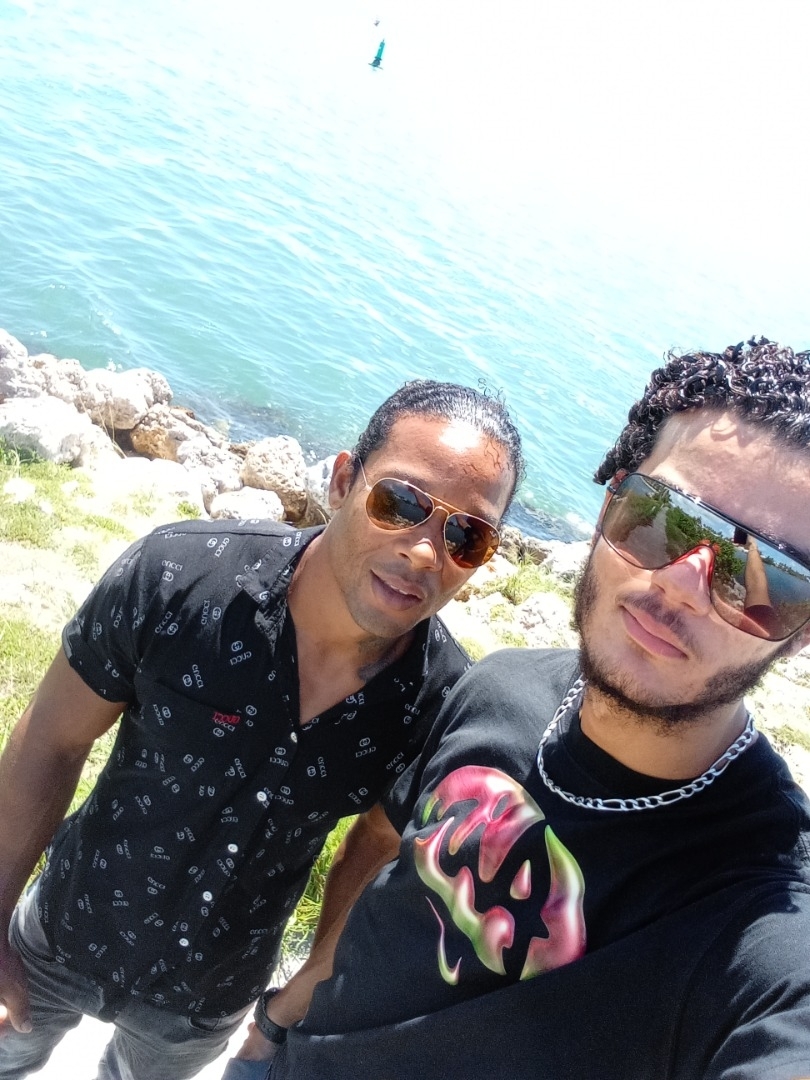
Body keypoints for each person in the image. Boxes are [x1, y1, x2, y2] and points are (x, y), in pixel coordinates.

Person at [266, 338, 810, 1080]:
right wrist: (283, 1014)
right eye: (664, 516)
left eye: (767, 577)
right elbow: (385, 841)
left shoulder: (762, 917)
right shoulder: (500, 684)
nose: (682, 582)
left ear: (803, 632)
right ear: (608, 503)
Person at [0, 379, 524, 1080]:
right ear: (342, 481)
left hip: (209, 994)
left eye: (467, 536)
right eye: (401, 503)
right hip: (65, 926)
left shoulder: (436, 705)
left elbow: (376, 845)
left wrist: (300, 1001)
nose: (426, 553)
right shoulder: (179, 579)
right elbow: (52, 739)